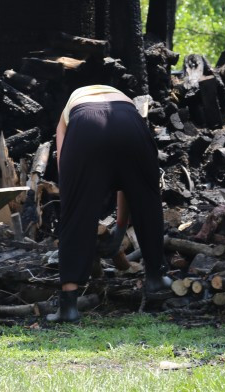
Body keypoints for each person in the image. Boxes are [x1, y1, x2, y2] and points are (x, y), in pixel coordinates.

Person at [48, 84, 171, 323]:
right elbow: (128, 187)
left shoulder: (68, 113)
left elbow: (67, 179)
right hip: (129, 122)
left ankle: (69, 305)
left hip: (86, 125)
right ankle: (156, 277)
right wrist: (120, 230)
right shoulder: (125, 101)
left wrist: (76, 203)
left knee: (75, 212)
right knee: (147, 199)